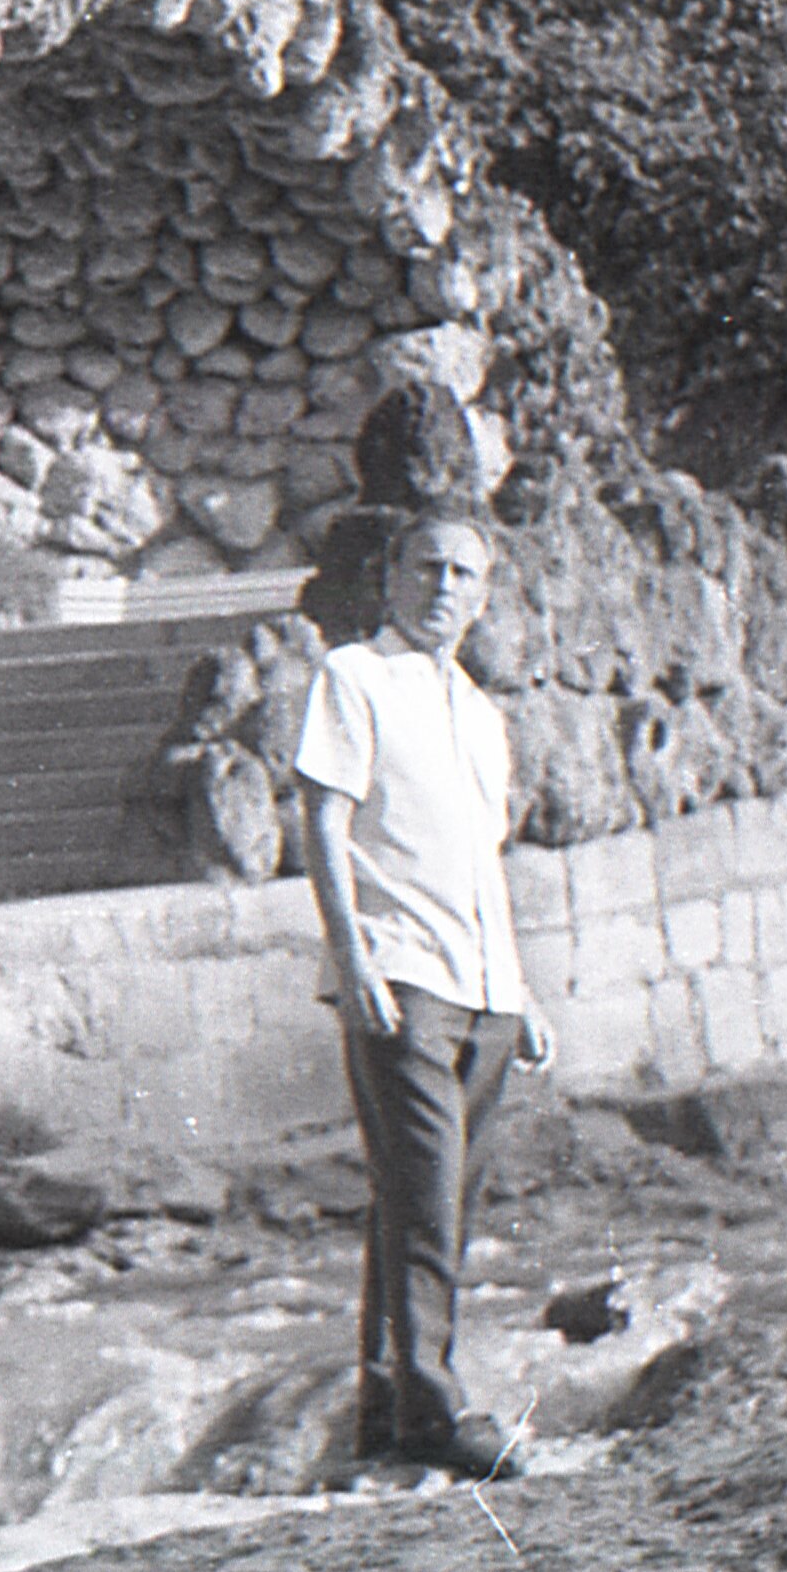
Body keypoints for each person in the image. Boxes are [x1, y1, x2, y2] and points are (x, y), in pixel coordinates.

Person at [296, 506, 554, 1478]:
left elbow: (484, 865)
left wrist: (521, 993)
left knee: (429, 1199)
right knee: (426, 1193)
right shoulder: (353, 677)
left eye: (464, 576)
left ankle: (389, 1410)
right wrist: (350, 954)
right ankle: (440, 1410)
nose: (445, 588)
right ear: (393, 576)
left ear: (483, 597)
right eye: (429, 568)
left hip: (481, 986)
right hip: (401, 976)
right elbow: (324, 819)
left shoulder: (481, 714)